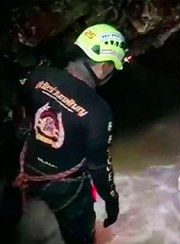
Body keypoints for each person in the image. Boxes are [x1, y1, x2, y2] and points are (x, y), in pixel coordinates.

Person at [13, 23, 130, 243]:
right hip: (66, 185)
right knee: (80, 235)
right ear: (105, 67)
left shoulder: (38, 75)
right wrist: (111, 201)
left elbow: (21, 115)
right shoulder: (98, 112)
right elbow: (99, 168)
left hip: (27, 166)